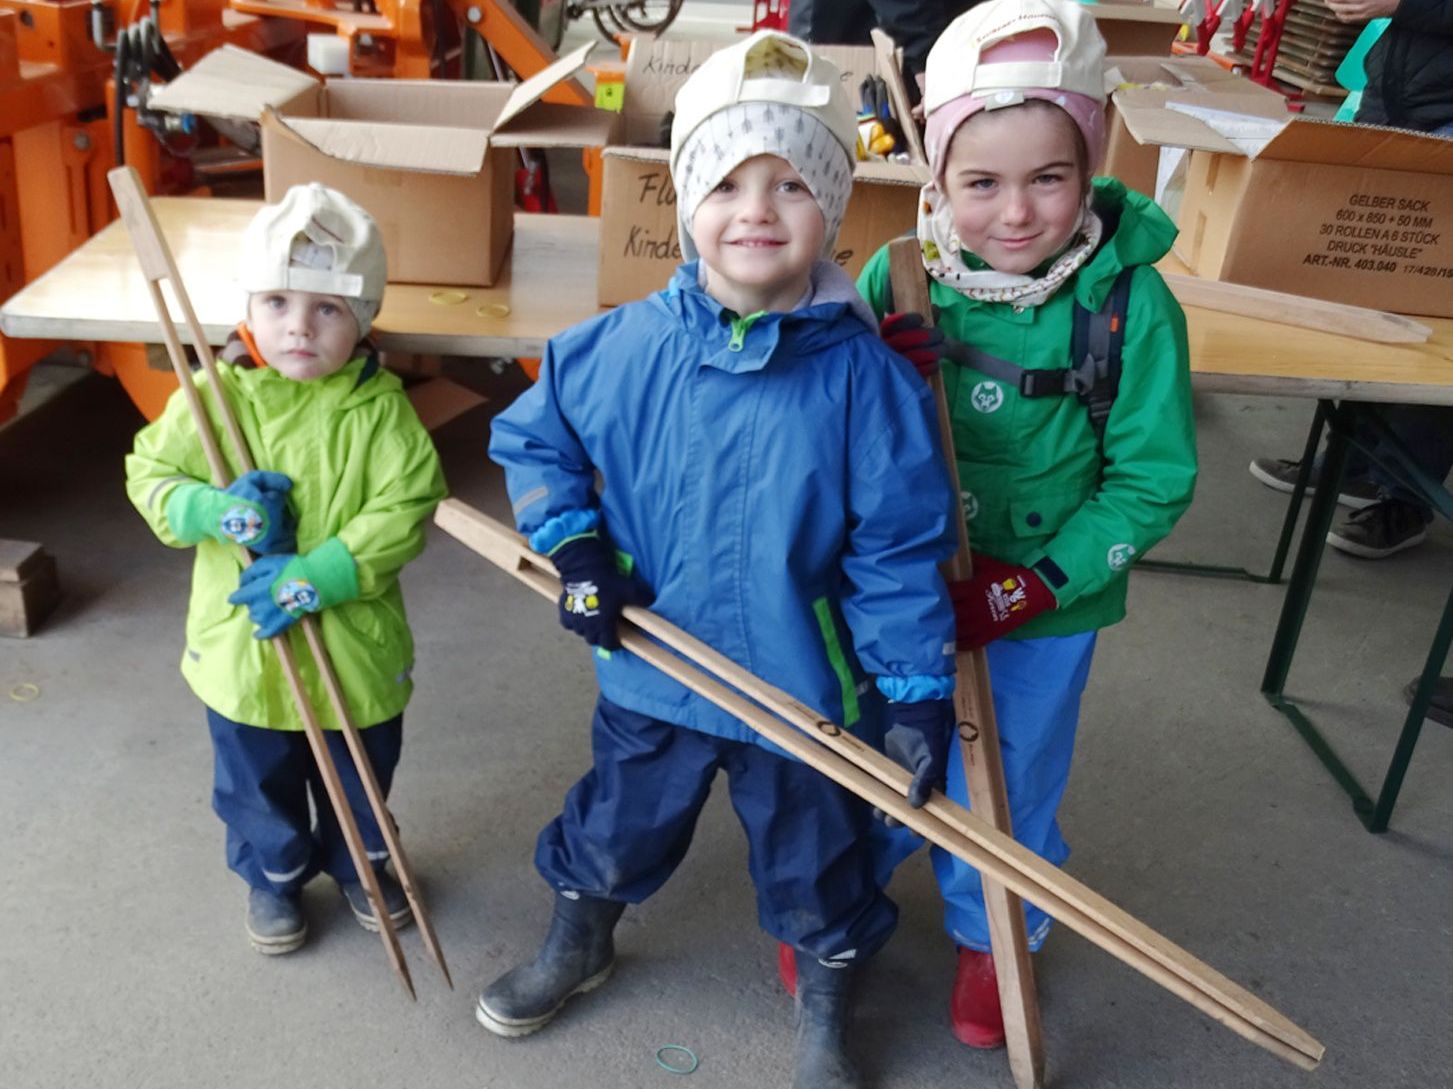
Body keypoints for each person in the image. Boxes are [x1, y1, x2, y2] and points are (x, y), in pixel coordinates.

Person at [483, 30, 958, 1089]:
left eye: (791, 183)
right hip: (654, 665)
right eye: (729, 180)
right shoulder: (616, 349)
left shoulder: (867, 384)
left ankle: (828, 1001)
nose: (756, 208)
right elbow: (535, 442)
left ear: (830, 209)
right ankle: (582, 933)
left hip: (802, 686)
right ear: (688, 195)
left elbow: (897, 548)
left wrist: (915, 689)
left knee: (818, 858)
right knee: (616, 822)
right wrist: (576, 548)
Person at [854, 0, 1197, 1048]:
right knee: (870, 753)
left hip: (1046, 604)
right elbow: (825, 431)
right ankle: (836, 901)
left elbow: (1151, 481)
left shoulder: (1132, 305)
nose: (1014, 212)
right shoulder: (897, 277)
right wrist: (869, 376)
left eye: (1048, 177)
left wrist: (1033, 583)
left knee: (1010, 780)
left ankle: (989, 932)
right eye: (980, 182)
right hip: (904, 587)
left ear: (1091, 161)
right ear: (937, 179)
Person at [124, 184, 446, 956]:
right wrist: (213, 511)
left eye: (328, 308)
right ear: (249, 307)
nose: (298, 325)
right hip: (243, 652)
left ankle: (363, 861)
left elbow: (407, 506)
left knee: (360, 771)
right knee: (255, 782)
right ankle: (274, 873)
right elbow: (150, 475)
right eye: (277, 301)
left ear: (363, 319)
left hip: (353, 651)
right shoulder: (214, 396)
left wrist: (316, 576)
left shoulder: (381, 409)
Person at [1250, 0, 1453, 717]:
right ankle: (1353, 458)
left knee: (1430, 317)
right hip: (1396, 88)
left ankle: (1404, 496)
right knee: (1353, 291)